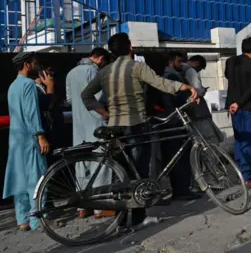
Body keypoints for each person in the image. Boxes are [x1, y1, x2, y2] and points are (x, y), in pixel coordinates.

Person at [81, 33, 198, 227]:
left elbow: (86, 95)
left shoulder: (105, 71)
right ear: (131, 48)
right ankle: (137, 218)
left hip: (115, 127)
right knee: (139, 174)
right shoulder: (137, 67)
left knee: (120, 174)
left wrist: (104, 113)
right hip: (136, 125)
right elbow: (161, 83)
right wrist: (185, 86)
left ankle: (121, 220)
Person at [3, 52, 50, 231]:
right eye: (34, 62)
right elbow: (32, 113)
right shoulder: (29, 85)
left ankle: (22, 219)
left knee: (20, 178)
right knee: (38, 177)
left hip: (16, 139)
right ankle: (37, 219)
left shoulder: (12, 86)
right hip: (30, 137)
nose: (36, 65)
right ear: (27, 64)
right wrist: (40, 135)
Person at [66, 47, 113, 218]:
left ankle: (82, 208)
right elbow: (101, 97)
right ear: (100, 59)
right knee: (100, 164)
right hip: (96, 123)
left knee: (81, 164)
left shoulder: (71, 73)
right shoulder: (93, 71)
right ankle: (101, 208)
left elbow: (70, 99)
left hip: (78, 125)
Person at [160, 51, 201, 201]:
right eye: (179, 62)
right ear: (171, 62)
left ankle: (182, 188)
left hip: (172, 120)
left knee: (177, 156)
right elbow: (175, 100)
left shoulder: (171, 76)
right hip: (174, 121)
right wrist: (189, 99)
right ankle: (182, 190)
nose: (181, 64)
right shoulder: (170, 77)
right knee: (179, 156)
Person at [225, 37, 251, 187]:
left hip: (233, 107)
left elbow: (229, 77)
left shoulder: (230, 61)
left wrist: (234, 103)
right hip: (247, 107)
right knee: (248, 142)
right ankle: (247, 177)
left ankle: (240, 173)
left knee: (239, 141)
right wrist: (239, 103)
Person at [183, 55, 225, 146]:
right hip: (198, 111)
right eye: (200, 69)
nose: (198, 71)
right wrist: (203, 90)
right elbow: (198, 89)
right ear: (197, 63)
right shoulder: (190, 70)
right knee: (208, 138)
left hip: (188, 111)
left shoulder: (180, 69)